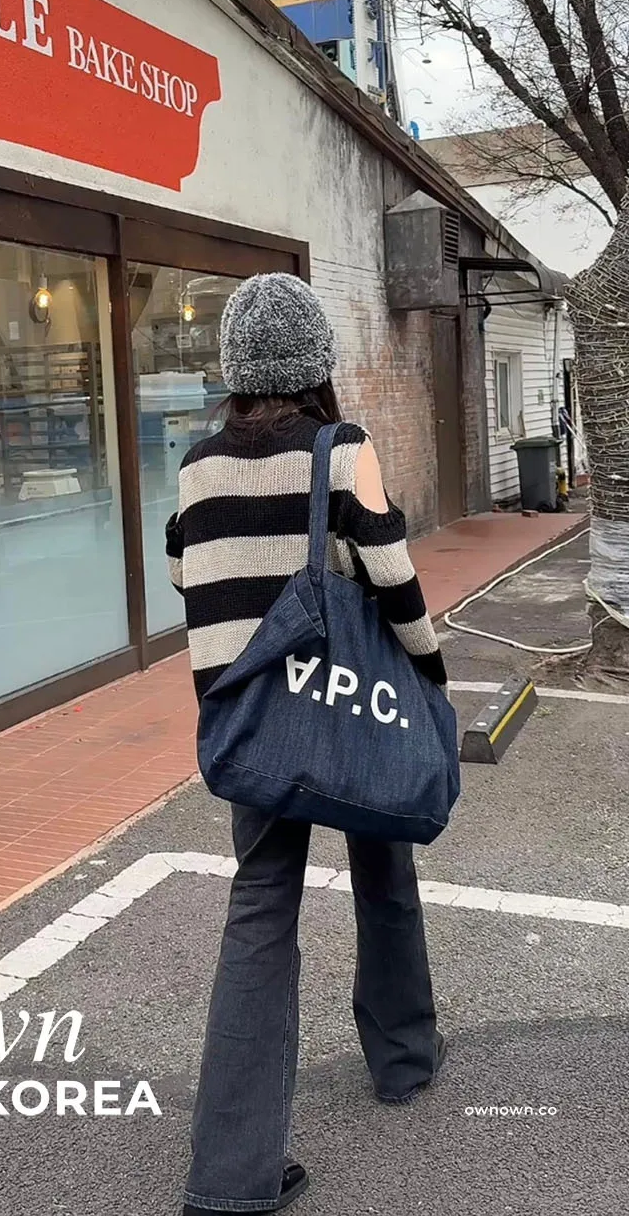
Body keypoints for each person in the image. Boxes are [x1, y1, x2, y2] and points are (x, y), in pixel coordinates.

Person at [165, 274, 449, 1216]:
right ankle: (403, 1057)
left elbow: (185, 572)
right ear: (317, 362)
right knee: (384, 865)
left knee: (260, 908)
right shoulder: (342, 448)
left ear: (235, 367)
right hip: (347, 707)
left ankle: (229, 1179)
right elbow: (394, 578)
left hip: (251, 721)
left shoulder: (195, 466)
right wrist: (431, 677)